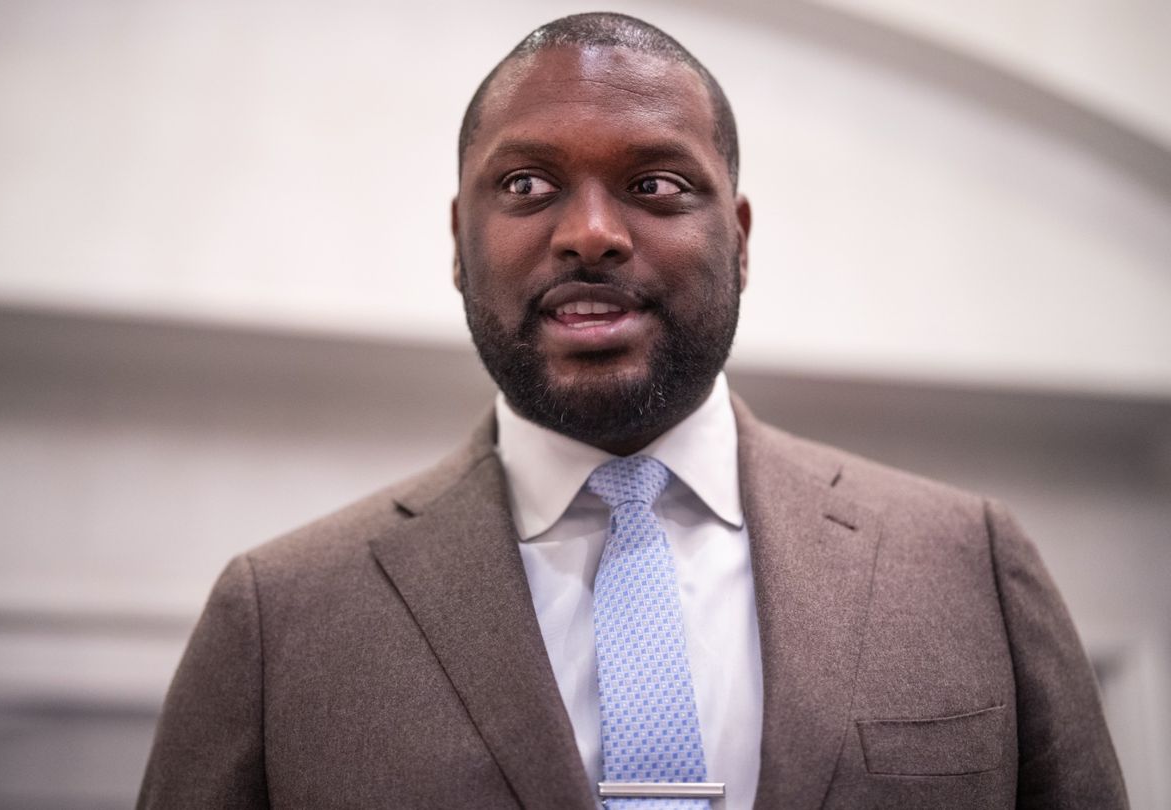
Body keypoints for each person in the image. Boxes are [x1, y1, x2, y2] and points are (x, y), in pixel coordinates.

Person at [138, 12, 1127, 809]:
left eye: (655, 183)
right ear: (457, 241)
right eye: (528, 184)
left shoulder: (966, 567)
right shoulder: (281, 618)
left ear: (738, 239)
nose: (592, 234)